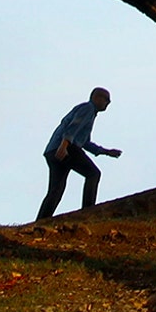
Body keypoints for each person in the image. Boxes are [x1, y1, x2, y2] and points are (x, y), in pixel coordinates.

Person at [37, 87, 122, 220]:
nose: (108, 103)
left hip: (52, 150)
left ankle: (41, 220)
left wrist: (105, 151)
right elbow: (73, 127)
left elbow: (85, 142)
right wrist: (64, 146)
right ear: (96, 98)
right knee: (93, 174)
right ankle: (88, 211)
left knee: (56, 190)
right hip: (66, 147)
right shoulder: (88, 108)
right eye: (106, 99)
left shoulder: (89, 113)